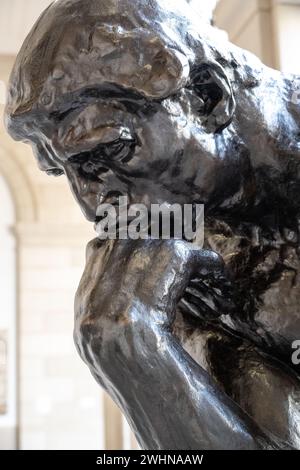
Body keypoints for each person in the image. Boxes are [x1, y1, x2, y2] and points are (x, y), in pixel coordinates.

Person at [5, 0, 300, 449]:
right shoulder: (181, 244)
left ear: (206, 97)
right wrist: (140, 360)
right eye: (60, 171)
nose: (91, 207)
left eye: (110, 150)